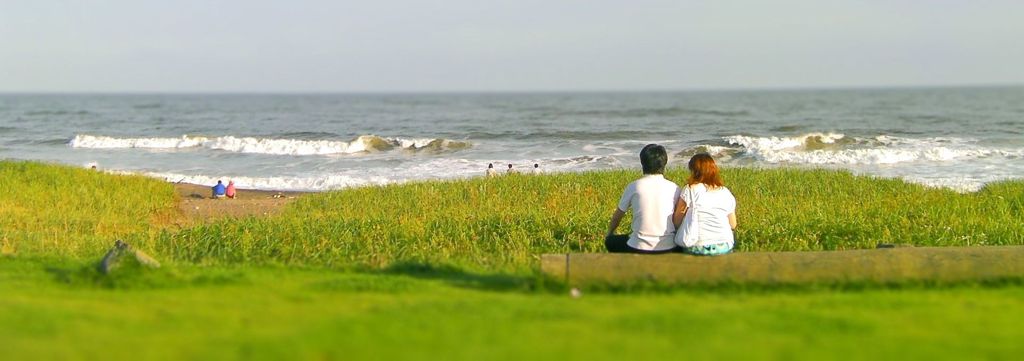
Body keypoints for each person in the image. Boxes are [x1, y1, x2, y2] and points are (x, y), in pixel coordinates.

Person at [605, 144, 681, 253]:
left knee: (610, 241)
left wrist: (610, 232)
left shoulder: (634, 186)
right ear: (664, 163)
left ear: (642, 162)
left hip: (638, 247)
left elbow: (617, 217)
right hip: (668, 247)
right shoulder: (674, 188)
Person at [672, 153, 737, 256]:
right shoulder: (725, 192)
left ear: (694, 171)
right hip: (724, 245)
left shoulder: (690, 189)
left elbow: (676, 221)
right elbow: (733, 224)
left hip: (697, 246)